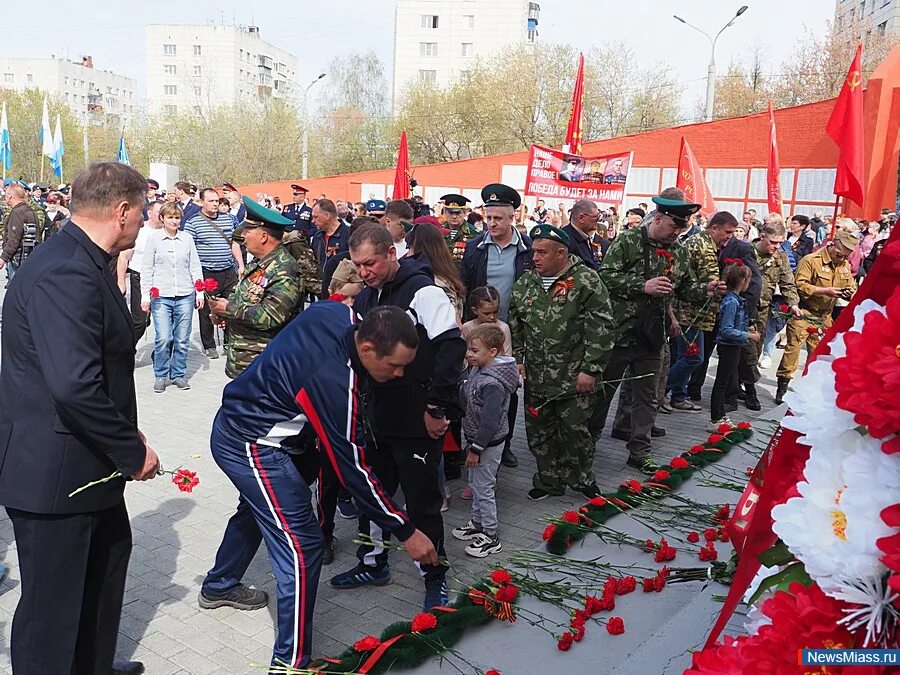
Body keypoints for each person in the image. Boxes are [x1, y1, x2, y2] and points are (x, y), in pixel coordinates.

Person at [199, 303, 438, 671]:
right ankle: (290, 663)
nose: (399, 373)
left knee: (258, 509)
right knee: (302, 544)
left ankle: (219, 584)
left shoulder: (337, 314)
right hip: (251, 442)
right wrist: (405, 530)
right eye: (394, 366)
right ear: (368, 349)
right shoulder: (333, 380)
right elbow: (352, 470)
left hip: (246, 425)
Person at [0, 162, 159, 675]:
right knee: (53, 613)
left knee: (106, 568)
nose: (144, 220)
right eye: (142, 210)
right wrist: (132, 451)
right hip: (56, 474)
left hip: (87, 464)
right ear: (121, 211)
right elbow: (74, 383)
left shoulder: (87, 260)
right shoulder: (65, 268)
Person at [329, 223, 465, 611]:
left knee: (422, 503)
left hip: (417, 418)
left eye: (370, 263)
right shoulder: (370, 292)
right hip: (378, 417)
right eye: (357, 265)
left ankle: (434, 577)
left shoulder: (423, 290)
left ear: (392, 253)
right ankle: (372, 563)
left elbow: (451, 348)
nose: (364, 272)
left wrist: (437, 408)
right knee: (374, 493)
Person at [593, 189, 724, 471]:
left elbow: (687, 287)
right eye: (674, 225)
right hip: (619, 333)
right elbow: (604, 277)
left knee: (647, 397)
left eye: (683, 227)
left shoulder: (678, 251)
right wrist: (642, 285)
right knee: (602, 394)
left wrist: (707, 289)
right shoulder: (628, 241)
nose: (677, 232)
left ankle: (639, 450)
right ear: (658, 217)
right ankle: (586, 445)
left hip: (652, 336)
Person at [509, 223, 615, 500]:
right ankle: (548, 481)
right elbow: (516, 324)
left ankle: (581, 479)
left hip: (574, 376)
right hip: (537, 376)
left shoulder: (586, 281)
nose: (535, 258)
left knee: (575, 431)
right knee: (539, 431)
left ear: (561, 253)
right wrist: (519, 359)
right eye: (534, 252)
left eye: (542, 253)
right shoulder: (525, 283)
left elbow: (601, 328)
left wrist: (590, 370)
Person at [459, 184, 533, 467]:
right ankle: (476, 438)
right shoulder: (474, 247)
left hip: (512, 328)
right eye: (488, 218)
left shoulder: (526, 248)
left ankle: (505, 443)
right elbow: (465, 285)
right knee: (478, 387)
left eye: (498, 218)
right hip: (481, 327)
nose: (491, 224)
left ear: (512, 216)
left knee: (507, 388)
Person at [207, 197, 305, 380]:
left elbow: (270, 317)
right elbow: (246, 301)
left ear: (263, 236)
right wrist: (224, 313)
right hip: (245, 361)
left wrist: (229, 309)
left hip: (264, 365)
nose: (242, 236)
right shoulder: (259, 265)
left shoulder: (284, 268)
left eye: (247, 231)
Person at [451, 324, 518, 557]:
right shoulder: (478, 370)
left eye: (474, 350)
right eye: (468, 349)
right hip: (476, 440)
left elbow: (490, 422)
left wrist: (476, 449)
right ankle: (477, 523)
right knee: (476, 483)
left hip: (486, 444)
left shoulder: (493, 384)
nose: (469, 354)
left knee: (483, 487)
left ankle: (491, 535)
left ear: (493, 352)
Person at [775, 230, 857, 404]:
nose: (841, 257)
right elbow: (799, 285)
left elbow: (851, 285)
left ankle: (811, 389)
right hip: (804, 312)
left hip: (825, 316)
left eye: (845, 255)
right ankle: (782, 387)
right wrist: (824, 291)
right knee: (793, 350)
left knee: (820, 355)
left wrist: (849, 293)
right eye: (839, 253)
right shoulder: (811, 261)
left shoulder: (844, 265)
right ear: (832, 244)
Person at [666, 212, 736, 413]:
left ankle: (678, 396)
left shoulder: (707, 244)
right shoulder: (700, 245)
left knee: (684, 356)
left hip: (697, 312)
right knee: (693, 358)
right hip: (689, 312)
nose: (729, 237)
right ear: (714, 228)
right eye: (727, 232)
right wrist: (711, 287)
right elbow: (684, 281)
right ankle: (660, 392)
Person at [141, 202, 203, 392]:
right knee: (163, 338)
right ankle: (161, 374)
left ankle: (179, 374)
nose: (174, 221)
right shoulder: (154, 239)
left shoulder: (187, 238)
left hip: (185, 294)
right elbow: (147, 267)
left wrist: (199, 290)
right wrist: (145, 295)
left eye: (177, 217)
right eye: (170, 217)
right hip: (162, 295)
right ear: (163, 219)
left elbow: (194, 265)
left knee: (182, 338)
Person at [183, 187, 243, 359]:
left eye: (217, 200)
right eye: (211, 201)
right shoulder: (192, 222)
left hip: (228, 271)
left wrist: (240, 264)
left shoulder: (229, 219)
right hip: (206, 271)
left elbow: (235, 243)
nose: (215, 204)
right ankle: (209, 344)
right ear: (201, 202)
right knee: (207, 309)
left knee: (231, 305)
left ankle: (229, 341)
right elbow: (189, 250)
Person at [710, 263, 758, 427]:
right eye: (748, 280)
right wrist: (749, 335)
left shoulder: (736, 300)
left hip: (734, 346)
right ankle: (715, 418)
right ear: (744, 280)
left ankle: (721, 415)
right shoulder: (731, 302)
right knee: (721, 383)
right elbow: (726, 329)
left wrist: (746, 329)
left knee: (727, 380)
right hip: (728, 346)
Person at [751, 222, 801, 374]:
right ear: (762, 237)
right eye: (773, 242)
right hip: (741, 307)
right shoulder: (747, 251)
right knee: (736, 351)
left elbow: (788, 283)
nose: (776, 246)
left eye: (780, 242)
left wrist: (793, 304)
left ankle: (744, 385)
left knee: (755, 350)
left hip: (762, 309)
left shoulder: (781, 257)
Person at [118, 200, 164, 344]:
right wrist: (121, 281)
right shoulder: (140, 231)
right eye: (159, 212)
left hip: (163, 279)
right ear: (149, 213)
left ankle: (160, 354)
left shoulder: (169, 231)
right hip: (140, 278)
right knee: (141, 321)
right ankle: (125, 347)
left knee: (165, 320)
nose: (163, 216)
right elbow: (123, 257)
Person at [0, 182, 39, 279]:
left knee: (16, 290)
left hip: (18, 259)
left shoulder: (17, 212)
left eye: (6, 194)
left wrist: (4, 258)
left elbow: (14, 239)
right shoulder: (30, 210)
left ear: (10, 196)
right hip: (31, 258)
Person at [311, 199, 350, 273]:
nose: (313, 221)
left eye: (316, 217)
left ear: (327, 215)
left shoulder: (349, 235)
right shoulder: (317, 236)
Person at [563, 199, 602, 270]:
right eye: (596, 217)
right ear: (581, 218)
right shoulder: (566, 240)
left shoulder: (583, 235)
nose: (598, 220)